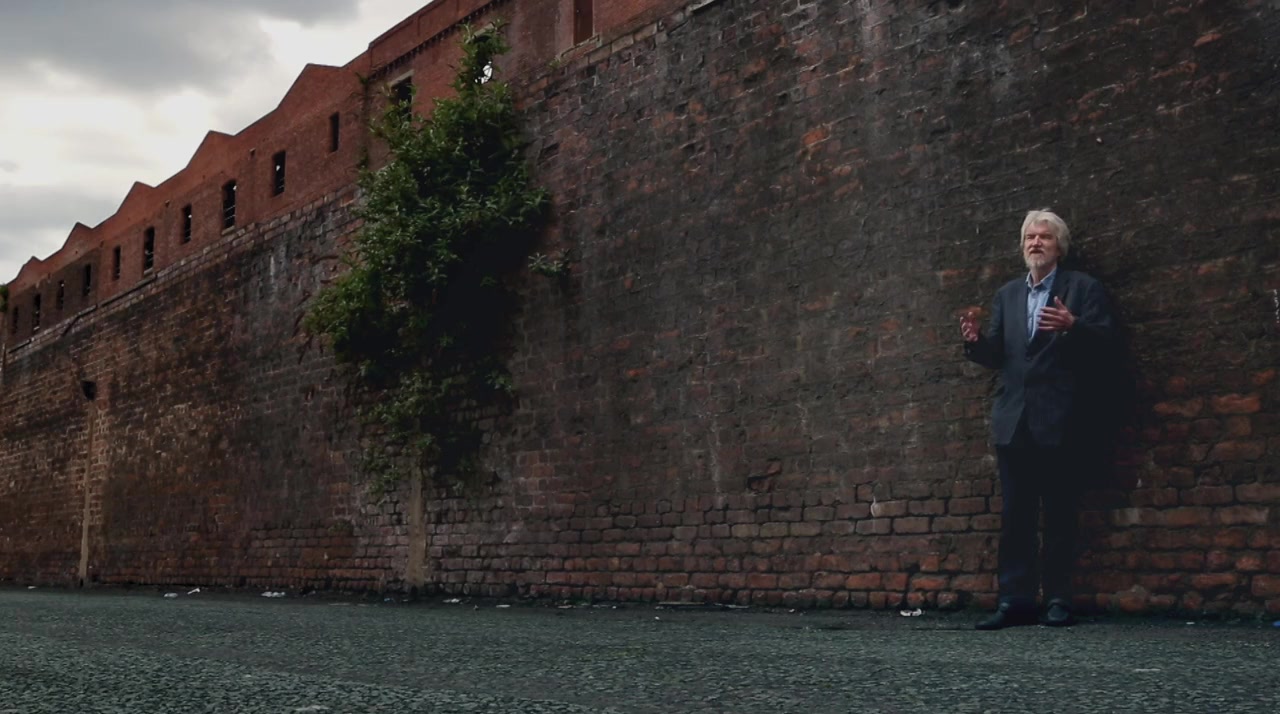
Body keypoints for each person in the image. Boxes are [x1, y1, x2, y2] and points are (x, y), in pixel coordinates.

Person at [960, 209, 1116, 630]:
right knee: (1016, 516)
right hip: (1014, 419)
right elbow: (999, 355)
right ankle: (1015, 601)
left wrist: (1073, 325)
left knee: (1060, 512)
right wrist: (975, 343)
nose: (1035, 243)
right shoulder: (1008, 295)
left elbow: (1107, 341)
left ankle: (1059, 599)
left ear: (1059, 246)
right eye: (1030, 237)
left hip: (1062, 417)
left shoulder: (1082, 288)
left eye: (1044, 237)